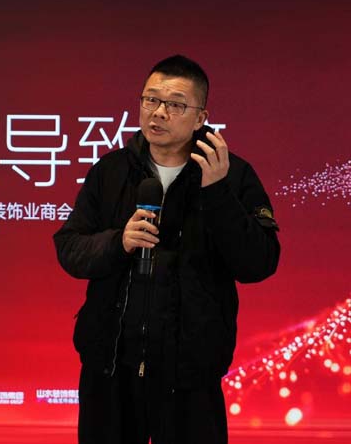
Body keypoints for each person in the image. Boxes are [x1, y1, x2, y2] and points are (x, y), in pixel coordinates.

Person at [53, 55, 280, 444]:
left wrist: (217, 193)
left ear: (200, 117)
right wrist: (119, 241)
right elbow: (69, 247)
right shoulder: (111, 171)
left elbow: (259, 262)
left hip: (190, 375)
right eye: (151, 99)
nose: (158, 112)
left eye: (175, 104)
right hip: (110, 368)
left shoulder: (231, 174)